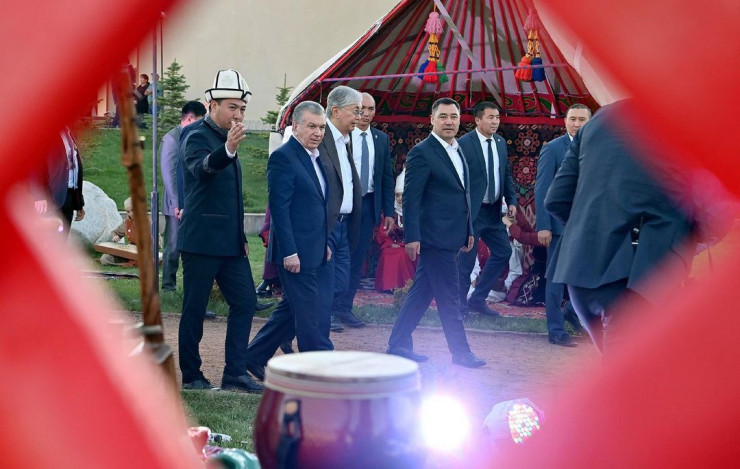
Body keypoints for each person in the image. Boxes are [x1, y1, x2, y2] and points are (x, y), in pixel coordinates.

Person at [177, 69, 262, 392]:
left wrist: (240, 238)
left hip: (229, 244)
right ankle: (192, 376)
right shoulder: (196, 135)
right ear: (212, 105)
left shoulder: (230, 138)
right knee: (195, 310)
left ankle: (235, 373)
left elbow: (231, 197)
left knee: (246, 302)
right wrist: (227, 149)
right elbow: (202, 170)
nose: (238, 114)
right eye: (232, 107)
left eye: (242, 108)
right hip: (200, 241)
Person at [386, 98, 485, 368]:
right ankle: (460, 353)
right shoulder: (421, 152)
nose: (449, 122)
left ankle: (398, 344)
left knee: (421, 293)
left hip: (454, 235)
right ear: (432, 119)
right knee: (450, 296)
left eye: (454, 116)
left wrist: (468, 229)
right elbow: (411, 198)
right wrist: (412, 237)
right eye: (443, 116)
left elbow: (464, 194)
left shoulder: (458, 150)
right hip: (433, 238)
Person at [245, 101, 333, 381]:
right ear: (295, 126)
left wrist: (323, 243)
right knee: (309, 316)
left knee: (290, 312)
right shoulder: (283, 157)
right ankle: (315, 372)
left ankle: (253, 357)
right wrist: (290, 252)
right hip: (294, 254)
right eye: (311, 126)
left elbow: (314, 206)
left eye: (322, 127)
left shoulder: (314, 156)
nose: (318, 132)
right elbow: (279, 210)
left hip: (314, 250)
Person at [332, 92, 396, 327]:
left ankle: (345, 309)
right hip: (344, 204)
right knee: (338, 256)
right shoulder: (343, 136)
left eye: (370, 109)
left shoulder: (381, 139)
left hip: (368, 204)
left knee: (358, 256)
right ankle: (329, 310)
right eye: (361, 109)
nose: (365, 114)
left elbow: (386, 177)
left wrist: (388, 212)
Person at [534, 103, 591, 347]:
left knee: (589, 276)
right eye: (573, 119)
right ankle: (556, 331)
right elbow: (542, 189)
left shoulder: (597, 148)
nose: (577, 124)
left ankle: (574, 314)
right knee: (556, 280)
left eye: (582, 120)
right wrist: (543, 225)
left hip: (588, 226)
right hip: (558, 227)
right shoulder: (553, 149)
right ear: (565, 122)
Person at [457, 101, 518, 317]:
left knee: (504, 251)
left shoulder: (500, 142)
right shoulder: (464, 143)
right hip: (472, 213)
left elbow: (505, 174)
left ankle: (478, 299)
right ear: (477, 120)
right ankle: (459, 308)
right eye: (490, 117)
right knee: (465, 262)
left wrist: (511, 200)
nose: (495, 122)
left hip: (493, 212)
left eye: (497, 118)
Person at [317, 86, 362, 333]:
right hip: (326, 222)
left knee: (342, 279)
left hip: (345, 223)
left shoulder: (345, 140)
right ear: (335, 111)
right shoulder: (319, 138)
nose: (359, 116)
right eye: (355, 111)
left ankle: (328, 314)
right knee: (326, 277)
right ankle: (321, 319)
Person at [160, 101, 206, 292]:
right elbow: (169, 174)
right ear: (189, 119)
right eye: (199, 121)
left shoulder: (193, 136)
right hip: (175, 204)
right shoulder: (172, 139)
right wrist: (177, 203)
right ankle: (168, 286)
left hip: (192, 201)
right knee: (172, 246)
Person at [32, 127, 85, 236]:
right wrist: (39, 196)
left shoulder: (69, 133)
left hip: (69, 196)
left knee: (62, 238)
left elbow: (75, 168)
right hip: (51, 197)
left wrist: (79, 203)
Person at [375, 169, 416, 292]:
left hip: (410, 246)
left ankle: (405, 286)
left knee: (403, 254)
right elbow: (382, 233)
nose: (399, 198)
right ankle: (389, 286)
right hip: (392, 245)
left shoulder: (415, 213)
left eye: (402, 195)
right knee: (388, 253)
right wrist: (390, 243)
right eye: (397, 195)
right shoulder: (391, 214)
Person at [100, 197, 136, 266]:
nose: (131, 214)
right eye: (128, 212)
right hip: (129, 253)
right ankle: (127, 262)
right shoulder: (127, 222)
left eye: (133, 210)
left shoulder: (148, 222)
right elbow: (114, 232)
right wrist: (115, 236)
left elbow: (156, 241)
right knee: (105, 259)